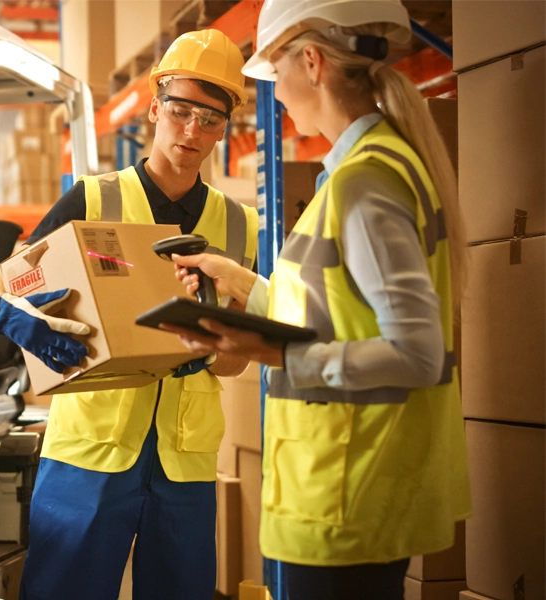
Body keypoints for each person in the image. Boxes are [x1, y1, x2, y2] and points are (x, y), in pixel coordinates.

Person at [160, 2, 472, 599]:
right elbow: (333, 310)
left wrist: (274, 353)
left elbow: (417, 351)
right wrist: (240, 283)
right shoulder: (364, 169)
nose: (273, 94)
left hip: (348, 491)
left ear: (311, 61)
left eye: (274, 72)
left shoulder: (365, 182)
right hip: (344, 486)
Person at [0, 29, 260, 600]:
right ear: (155, 107)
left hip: (184, 462)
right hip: (90, 454)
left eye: (210, 120)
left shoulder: (240, 226)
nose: (192, 131)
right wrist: (18, 320)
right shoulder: (93, 199)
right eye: (180, 111)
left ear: (225, 128)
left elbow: (234, 366)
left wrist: (208, 352)